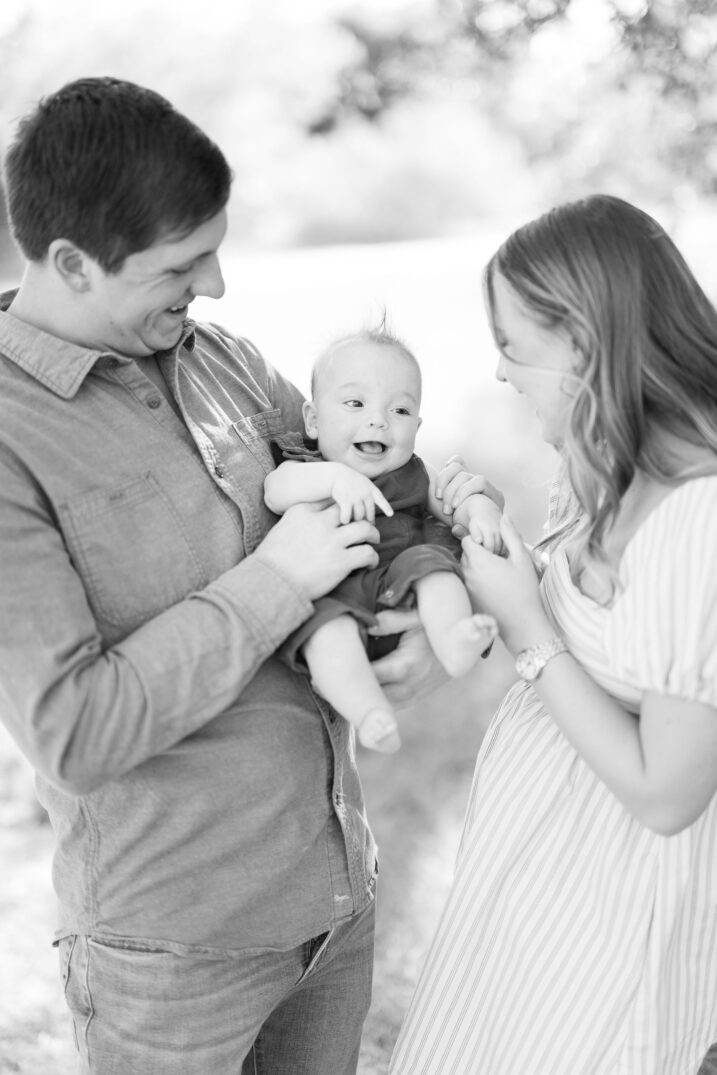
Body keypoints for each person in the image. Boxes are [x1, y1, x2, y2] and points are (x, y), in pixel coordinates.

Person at [0, 76, 493, 1075]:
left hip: (336, 908)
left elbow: (381, 497)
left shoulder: (221, 359)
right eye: (184, 263)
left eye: (217, 246)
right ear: (71, 263)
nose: (217, 283)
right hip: (175, 960)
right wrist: (275, 579)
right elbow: (73, 731)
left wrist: (414, 640)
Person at [390, 194, 717, 1074]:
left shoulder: (697, 515)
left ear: (580, 342)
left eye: (510, 345)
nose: (499, 372)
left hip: (612, 931)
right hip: (537, 900)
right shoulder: (604, 467)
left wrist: (530, 627)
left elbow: (665, 791)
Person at [264, 326, 501, 753]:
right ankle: (369, 712)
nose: (378, 420)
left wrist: (479, 510)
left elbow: (453, 502)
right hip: (337, 597)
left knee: (434, 568)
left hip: (403, 583)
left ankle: (453, 638)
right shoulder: (304, 467)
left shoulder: (413, 474)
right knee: (325, 636)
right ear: (314, 420)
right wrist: (334, 478)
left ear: (417, 426)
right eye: (355, 404)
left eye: (400, 411)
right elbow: (274, 490)